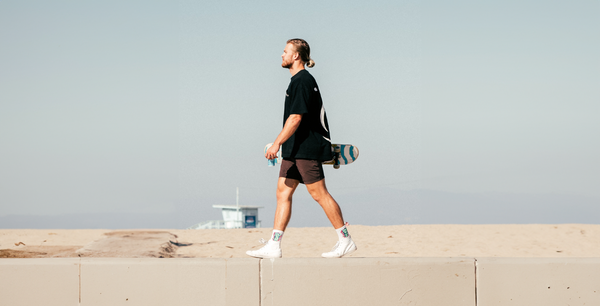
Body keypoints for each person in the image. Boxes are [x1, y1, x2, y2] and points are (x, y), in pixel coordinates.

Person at [246, 39, 357, 259]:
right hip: (294, 148)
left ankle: (345, 240)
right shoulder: (297, 81)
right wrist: (284, 144)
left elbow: (296, 118)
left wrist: (277, 142)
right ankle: (274, 245)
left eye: (285, 51)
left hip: (306, 147)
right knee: (283, 192)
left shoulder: (303, 81)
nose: (282, 55)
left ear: (296, 56)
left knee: (319, 194)